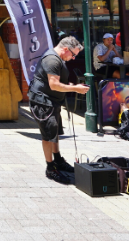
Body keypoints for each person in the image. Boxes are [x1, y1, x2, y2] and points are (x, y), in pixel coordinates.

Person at [28, 36, 89, 184]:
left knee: (54, 131)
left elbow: (56, 82)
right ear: (66, 49)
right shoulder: (52, 60)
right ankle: (50, 168)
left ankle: (58, 160)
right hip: (43, 102)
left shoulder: (58, 58)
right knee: (48, 135)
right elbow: (54, 85)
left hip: (51, 101)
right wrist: (75, 88)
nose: (73, 58)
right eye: (73, 55)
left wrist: (66, 85)